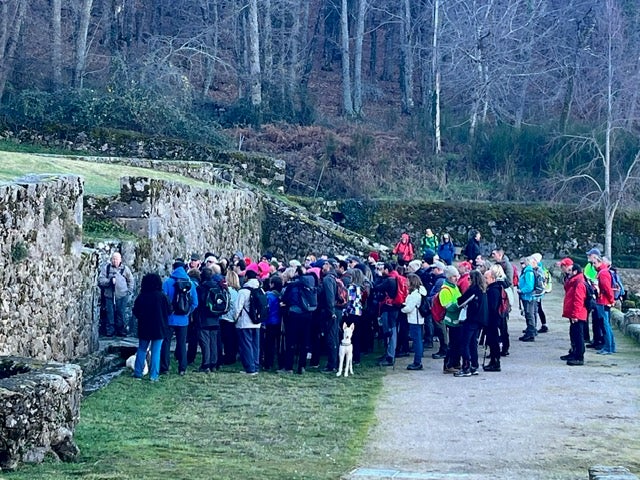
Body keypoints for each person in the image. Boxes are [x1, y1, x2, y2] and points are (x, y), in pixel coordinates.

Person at [161, 261, 198, 376]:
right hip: (183, 320)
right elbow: (195, 303)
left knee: (166, 343)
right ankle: (182, 368)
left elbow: (163, 301)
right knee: (181, 343)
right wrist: (187, 313)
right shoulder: (190, 284)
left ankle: (165, 368)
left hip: (170, 318)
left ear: (173, 268)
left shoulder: (167, 282)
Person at [131, 273, 170, 382]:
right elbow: (169, 310)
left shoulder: (142, 296)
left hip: (144, 327)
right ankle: (154, 376)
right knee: (156, 351)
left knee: (142, 349)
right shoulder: (162, 297)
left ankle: (138, 372)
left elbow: (136, 311)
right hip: (159, 327)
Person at [454, 270, 488, 377]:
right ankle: (474, 365)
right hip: (479, 321)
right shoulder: (483, 290)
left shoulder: (473, 290)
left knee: (465, 344)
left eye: (469, 279)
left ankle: (466, 367)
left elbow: (460, 302)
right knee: (473, 344)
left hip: (471, 320)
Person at [98, 251, 135, 337]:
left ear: (120, 260)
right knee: (109, 313)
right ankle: (110, 331)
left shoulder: (125, 269)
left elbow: (131, 280)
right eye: (113, 259)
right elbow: (101, 280)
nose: (115, 261)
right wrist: (109, 281)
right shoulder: (106, 268)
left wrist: (128, 291)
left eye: (117, 259)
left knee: (120, 313)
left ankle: (121, 330)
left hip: (122, 295)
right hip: (109, 295)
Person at [235, 269, 262, 374]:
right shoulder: (260, 290)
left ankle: (250, 368)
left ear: (246, 278)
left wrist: (235, 319)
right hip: (257, 322)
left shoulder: (243, 291)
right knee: (255, 345)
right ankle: (255, 365)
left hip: (245, 321)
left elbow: (238, 308)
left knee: (247, 345)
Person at [561, 264, 588, 366]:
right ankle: (574, 353)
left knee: (578, 335)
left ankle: (579, 357)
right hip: (576, 313)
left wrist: (575, 315)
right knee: (574, 333)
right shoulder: (575, 281)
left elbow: (578, 300)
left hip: (578, 313)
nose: (568, 272)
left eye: (570, 270)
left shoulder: (579, 283)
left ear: (575, 272)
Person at [592, 252, 616, 355]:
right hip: (604, 301)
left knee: (605, 325)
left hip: (603, 302)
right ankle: (610, 346)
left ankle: (608, 347)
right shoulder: (603, 272)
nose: (593, 265)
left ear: (599, 262)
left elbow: (607, 289)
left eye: (594, 263)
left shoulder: (603, 273)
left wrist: (611, 300)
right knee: (606, 325)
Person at [402, 273, 427, 371]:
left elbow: (409, 308)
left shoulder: (415, 294)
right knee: (418, 340)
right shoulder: (419, 293)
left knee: (417, 341)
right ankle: (418, 360)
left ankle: (417, 362)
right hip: (417, 319)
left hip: (415, 319)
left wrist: (401, 309)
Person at [484, 267, 506, 372]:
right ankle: (494, 361)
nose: (484, 280)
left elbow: (492, 306)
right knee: (492, 341)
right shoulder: (495, 288)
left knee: (493, 341)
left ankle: (495, 362)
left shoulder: (493, 290)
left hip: (493, 319)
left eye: (486, 278)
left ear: (492, 278)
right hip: (495, 318)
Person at [220, 270, 240, 365]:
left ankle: (228, 357)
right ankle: (232, 356)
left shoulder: (228, 291)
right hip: (233, 318)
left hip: (225, 317)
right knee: (232, 339)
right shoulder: (237, 292)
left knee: (226, 339)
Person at [517, 256, 537, 342]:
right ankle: (529, 332)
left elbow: (529, 286)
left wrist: (521, 291)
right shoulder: (526, 271)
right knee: (528, 314)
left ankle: (531, 333)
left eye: (522, 263)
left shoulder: (528, 272)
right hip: (526, 296)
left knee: (529, 315)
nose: (521, 265)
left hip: (528, 297)